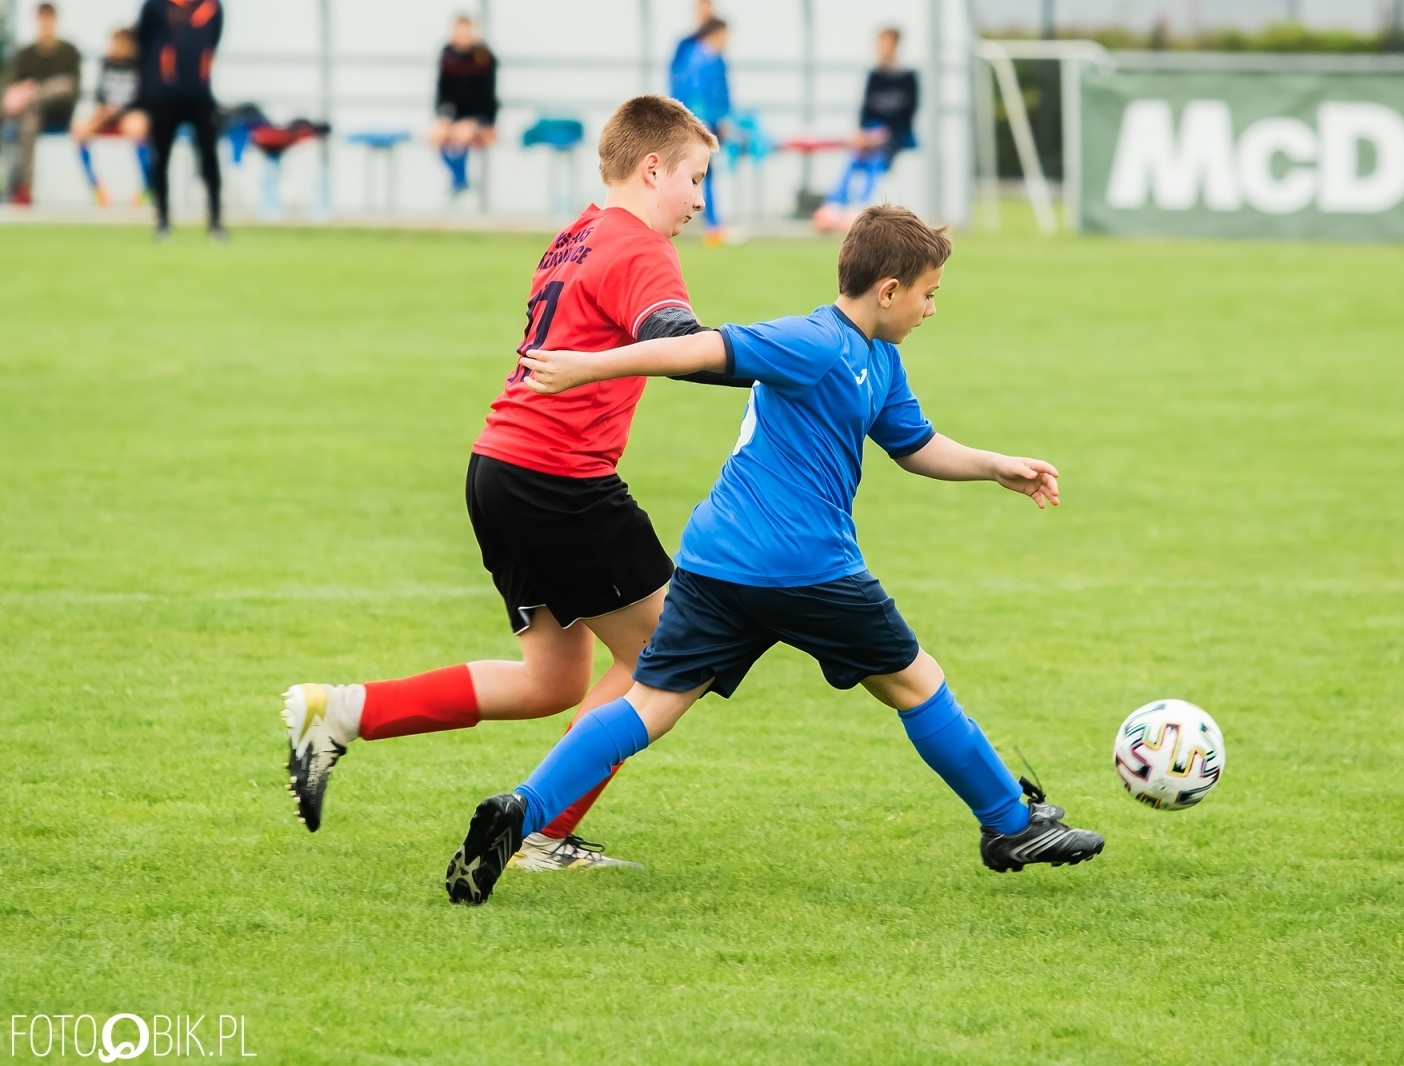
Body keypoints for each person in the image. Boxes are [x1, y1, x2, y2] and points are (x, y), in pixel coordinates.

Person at [444, 205, 1106, 906]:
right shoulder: (814, 341)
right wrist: (588, 366)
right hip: (805, 569)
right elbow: (696, 349)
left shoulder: (879, 360)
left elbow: (914, 446)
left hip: (716, 562)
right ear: (887, 291)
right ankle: (1009, 824)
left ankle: (522, 808)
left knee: (651, 703)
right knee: (916, 683)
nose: (931, 308)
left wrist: (993, 464)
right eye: (928, 293)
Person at [282, 95, 753, 873]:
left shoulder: (573, 235)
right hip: (559, 478)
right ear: (651, 168)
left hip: (500, 468)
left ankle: (341, 712)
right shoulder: (640, 247)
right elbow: (672, 338)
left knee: (551, 680)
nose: (700, 202)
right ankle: (542, 828)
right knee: (675, 656)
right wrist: (780, 360)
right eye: (696, 180)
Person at [814, 27, 919, 233]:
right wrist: (863, 134)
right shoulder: (874, 75)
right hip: (870, 133)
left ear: (895, 45)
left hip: (894, 136)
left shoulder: (908, 77)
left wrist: (882, 136)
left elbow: (909, 113)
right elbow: (865, 109)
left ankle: (858, 207)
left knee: (874, 160)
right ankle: (834, 206)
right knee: (854, 156)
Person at [136, 0, 224, 240]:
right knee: (161, 158)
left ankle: (216, 221)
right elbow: (142, 45)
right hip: (163, 95)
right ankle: (162, 221)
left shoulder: (211, 6)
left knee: (209, 156)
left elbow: (213, 40)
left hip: (200, 94)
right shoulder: (154, 6)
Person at [2, 3, 81, 207]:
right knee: (28, 115)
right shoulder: (26, 53)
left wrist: (34, 90)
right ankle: (24, 187)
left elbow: (71, 88)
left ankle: (21, 185)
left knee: (60, 85)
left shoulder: (68, 51)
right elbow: (15, 88)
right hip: (32, 111)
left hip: (59, 108)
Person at [71, 26, 149, 206]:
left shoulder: (140, 66)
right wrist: (104, 112)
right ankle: (96, 187)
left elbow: (143, 98)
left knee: (137, 127)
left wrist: (120, 110)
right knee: (79, 129)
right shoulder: (107, 63)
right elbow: (100, 95)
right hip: (107, 113)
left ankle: (147, 187)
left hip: (129, 114)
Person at [673, 17, 729, 244]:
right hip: (698, 126)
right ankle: (712, 224)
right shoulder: (699, 59)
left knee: (703, 174)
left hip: (704, 124)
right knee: (699, 173)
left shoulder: (712, 58)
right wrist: (703, 125)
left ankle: (712, 224)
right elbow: (695, 96)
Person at [429, 15, 497, 198]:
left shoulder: (484, 57)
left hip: (479, 117)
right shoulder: (447, 56)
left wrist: (476, 121)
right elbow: (442, 93)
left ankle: (460, 180)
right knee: (436, 135)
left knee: (462, 135)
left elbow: (487, 98)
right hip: (455, 116)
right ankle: (459, 178)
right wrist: (444, 117)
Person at [668, 0, 713, 100]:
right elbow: (675, 75)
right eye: (701, 12)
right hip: (686, 102)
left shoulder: (716, 47)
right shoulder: (685, 44)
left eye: (707, 13)